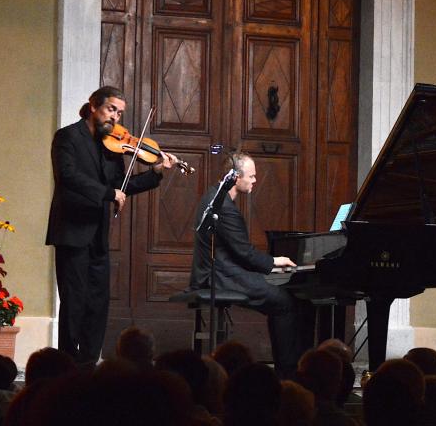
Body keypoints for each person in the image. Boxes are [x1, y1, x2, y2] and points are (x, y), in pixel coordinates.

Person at [46, 85, 179, 365]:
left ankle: (88, 363)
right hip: (71, 231)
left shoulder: (111, 146)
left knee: (98, 304)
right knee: (74, 304)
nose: (116, 117)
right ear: (93, 106)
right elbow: (68, 177)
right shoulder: (67, 137)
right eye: (111, 109)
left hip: (97, 235)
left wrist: (154, 174)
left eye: (119, 113)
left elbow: (121, 185)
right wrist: (108, 194)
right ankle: (68, 365)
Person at [188, 150, 308, 378]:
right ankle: (288, 374)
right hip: (221, 276)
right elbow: (244, 253)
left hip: (218, 271)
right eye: (251, 176)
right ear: (235, 177)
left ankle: (289, 369)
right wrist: (274, 261)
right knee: (284, 301)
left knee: (280, 295)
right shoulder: (224, 206)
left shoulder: (215, 196)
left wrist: (268, 267)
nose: (255, 180)